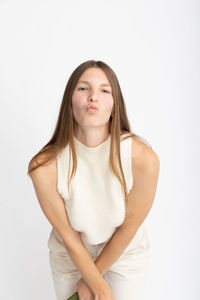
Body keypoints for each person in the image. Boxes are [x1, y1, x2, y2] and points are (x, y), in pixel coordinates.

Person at [27, 60, 160, 300]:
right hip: (69, 255)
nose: (93, 97)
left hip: (124, 253)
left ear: (114, 104)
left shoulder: (143, 159)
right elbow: (68, 235)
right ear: (69, 100)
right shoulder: (44, 167)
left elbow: (128, 227)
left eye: (104, 90)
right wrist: (94, 284)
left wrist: (94, 282)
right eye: (83, 88)